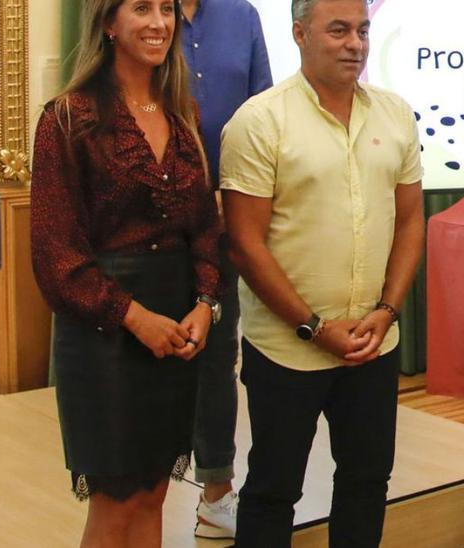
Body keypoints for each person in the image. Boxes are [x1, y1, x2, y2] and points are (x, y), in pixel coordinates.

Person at [219, 0, 425, 544]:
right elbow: (243, 244)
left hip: (372, 345)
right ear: (299, 33)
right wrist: (313, 326)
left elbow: (409, 222)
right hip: (288, 348)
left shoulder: (395, 113)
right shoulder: (259, 120)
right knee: (273, 489)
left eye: (361, 30)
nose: (354, 43)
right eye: (338, 30)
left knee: (366, 481)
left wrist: (387, 312)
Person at [29, 0, 221, 545]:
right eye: (141, 8)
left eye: (166, 9)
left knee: (155, 494)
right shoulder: (68, 118)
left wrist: (205, 305)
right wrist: (135, 318)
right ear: (108, 23)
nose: (159, 22)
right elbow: (54, 255)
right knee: (115, 502)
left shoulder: (183, 116)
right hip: (103, 334)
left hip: (179, 328)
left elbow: (205, 230)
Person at [177, 0, 273, 538]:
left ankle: (216, 493)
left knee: (217, 355)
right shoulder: (139, 12)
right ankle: (135, 491)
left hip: (226, 214)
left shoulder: (243, 15)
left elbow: (265, 110)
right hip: (150, 218)